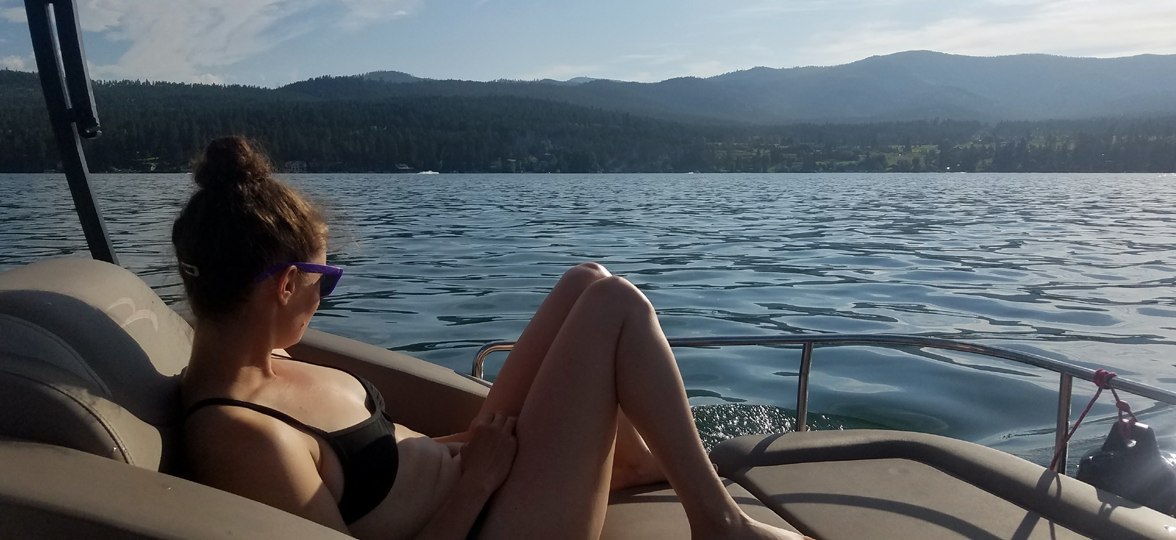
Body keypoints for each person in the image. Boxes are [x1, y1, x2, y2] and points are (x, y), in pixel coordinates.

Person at [175, 135, 806, 540]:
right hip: (486, 521)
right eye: (327, 279)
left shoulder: (268, 359)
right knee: (614, 305)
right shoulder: (243, 436)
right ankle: (719, 523)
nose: (325, 296)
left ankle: (633, 462)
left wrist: (470, 452)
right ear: (287, 283)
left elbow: (382, 465)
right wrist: (477, 479)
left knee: (586, 280)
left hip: (475, 474)